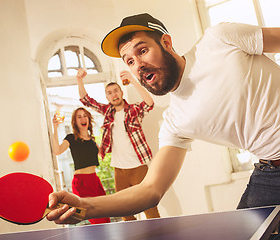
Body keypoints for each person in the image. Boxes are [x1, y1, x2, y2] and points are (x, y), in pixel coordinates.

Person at [46, 13, 280, 226]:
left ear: (166, 43)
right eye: (129, 61)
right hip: (272, 171)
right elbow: (150, 189)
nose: (138, 65)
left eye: (142, 51)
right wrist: (85, 206)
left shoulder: (219, 40)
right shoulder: (175, 121)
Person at [74, 68, 160, 221]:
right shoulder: (107, 112)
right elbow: (86, 100)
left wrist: (133, 80)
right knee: (124, 212)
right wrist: (79, 80)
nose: (113, 95)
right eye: (109, 93)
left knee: (150, 208)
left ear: (121, 93)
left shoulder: (133, 110)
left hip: (138, 167)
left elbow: (149, 103)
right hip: (119, 170)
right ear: (107, 97)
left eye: (116, 91)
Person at [51, 107, 110, 224]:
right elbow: (57, 150)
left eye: (85, 116)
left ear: (88, 119)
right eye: (79, 117)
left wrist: (108, 130)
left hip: (95, 180)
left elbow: (104, 153)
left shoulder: (92, 141)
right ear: (75, 122)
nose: (83, 118)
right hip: (82, 182)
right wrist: (55, 128)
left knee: (105, 215)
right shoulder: (71, 138)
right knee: (96, 218)